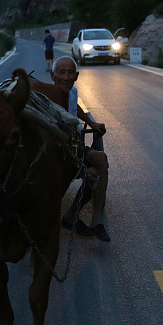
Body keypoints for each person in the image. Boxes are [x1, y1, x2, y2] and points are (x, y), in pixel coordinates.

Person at [51, 56, 110, 242]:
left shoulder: (72, 91)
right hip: (55, 151)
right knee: (90, 174)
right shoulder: (46, 96)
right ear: (53, 76)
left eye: (70, 73)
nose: (66, 77)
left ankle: (95, 221)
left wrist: (91, 122)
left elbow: (74, 107)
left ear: (76, 76)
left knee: (100, 160)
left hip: (75, 148)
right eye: (62, 73)